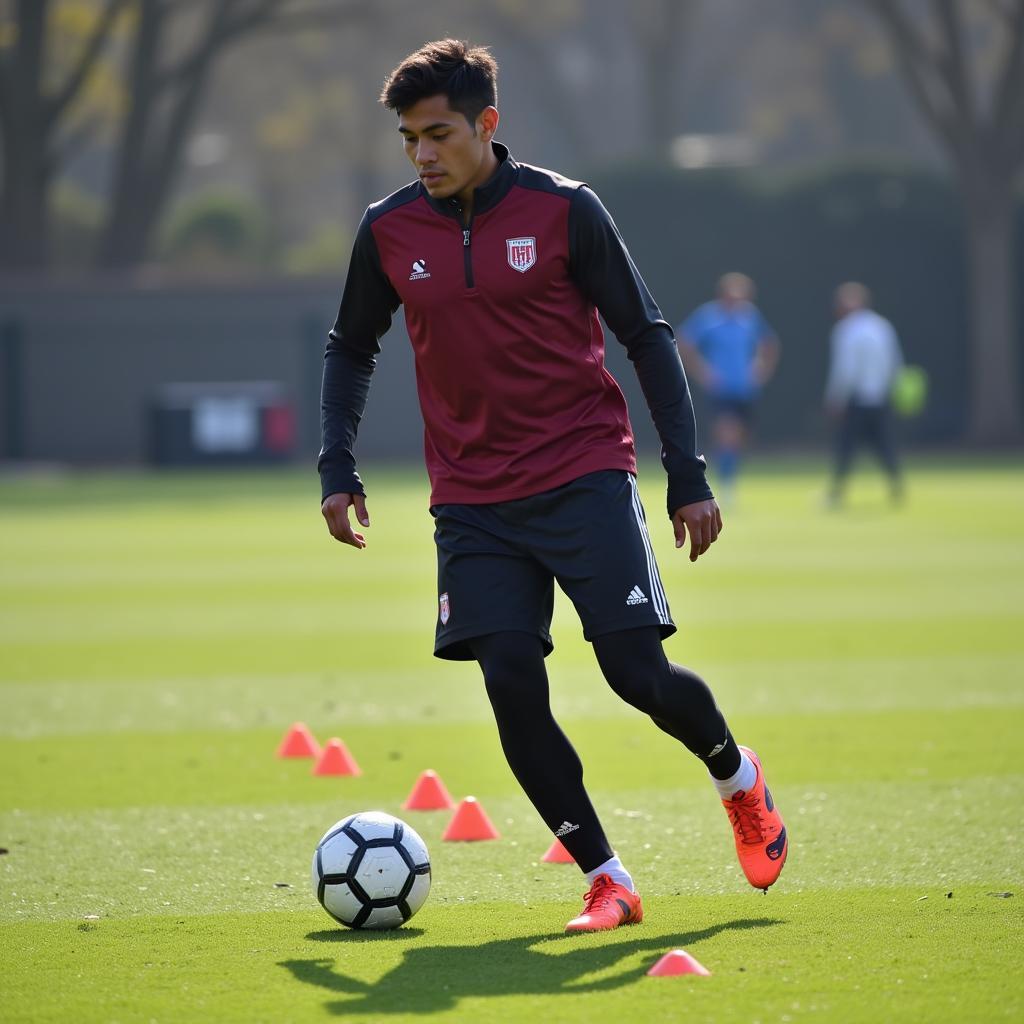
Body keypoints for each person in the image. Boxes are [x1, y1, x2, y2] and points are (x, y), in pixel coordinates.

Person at [318, 39, 787, 933]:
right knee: (509, 683)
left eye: (440, 133)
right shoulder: (388, 230)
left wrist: (686, 475)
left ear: (487, 127)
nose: (422, 153)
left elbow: (646, 335)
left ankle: (738, 777)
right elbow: (351, 345)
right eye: (410, 138)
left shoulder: (565, 210)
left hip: (582, 474)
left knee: (637, 676)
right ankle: (607, 877)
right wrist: (337, 465)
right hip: (470, 499)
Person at [677, 273, 780, 506]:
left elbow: (769, 344)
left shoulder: (750, 317)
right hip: (721, 390)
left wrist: (760, 370)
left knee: (739, 440)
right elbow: (684, 342)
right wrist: (704, 372)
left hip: (745, 390)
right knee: (727, 436)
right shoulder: (709, 317)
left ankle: (728, 477)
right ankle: (725, 487)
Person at [824, 282, 904, 505]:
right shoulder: (882, 326)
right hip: (880, 397)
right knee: (884, 445)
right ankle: (896, 485)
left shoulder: (845, 330)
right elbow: (894, 361)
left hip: (857, 398)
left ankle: (836, 493)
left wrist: (836, 398)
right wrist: (893, 390)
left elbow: (845, 369)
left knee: (846, 447)